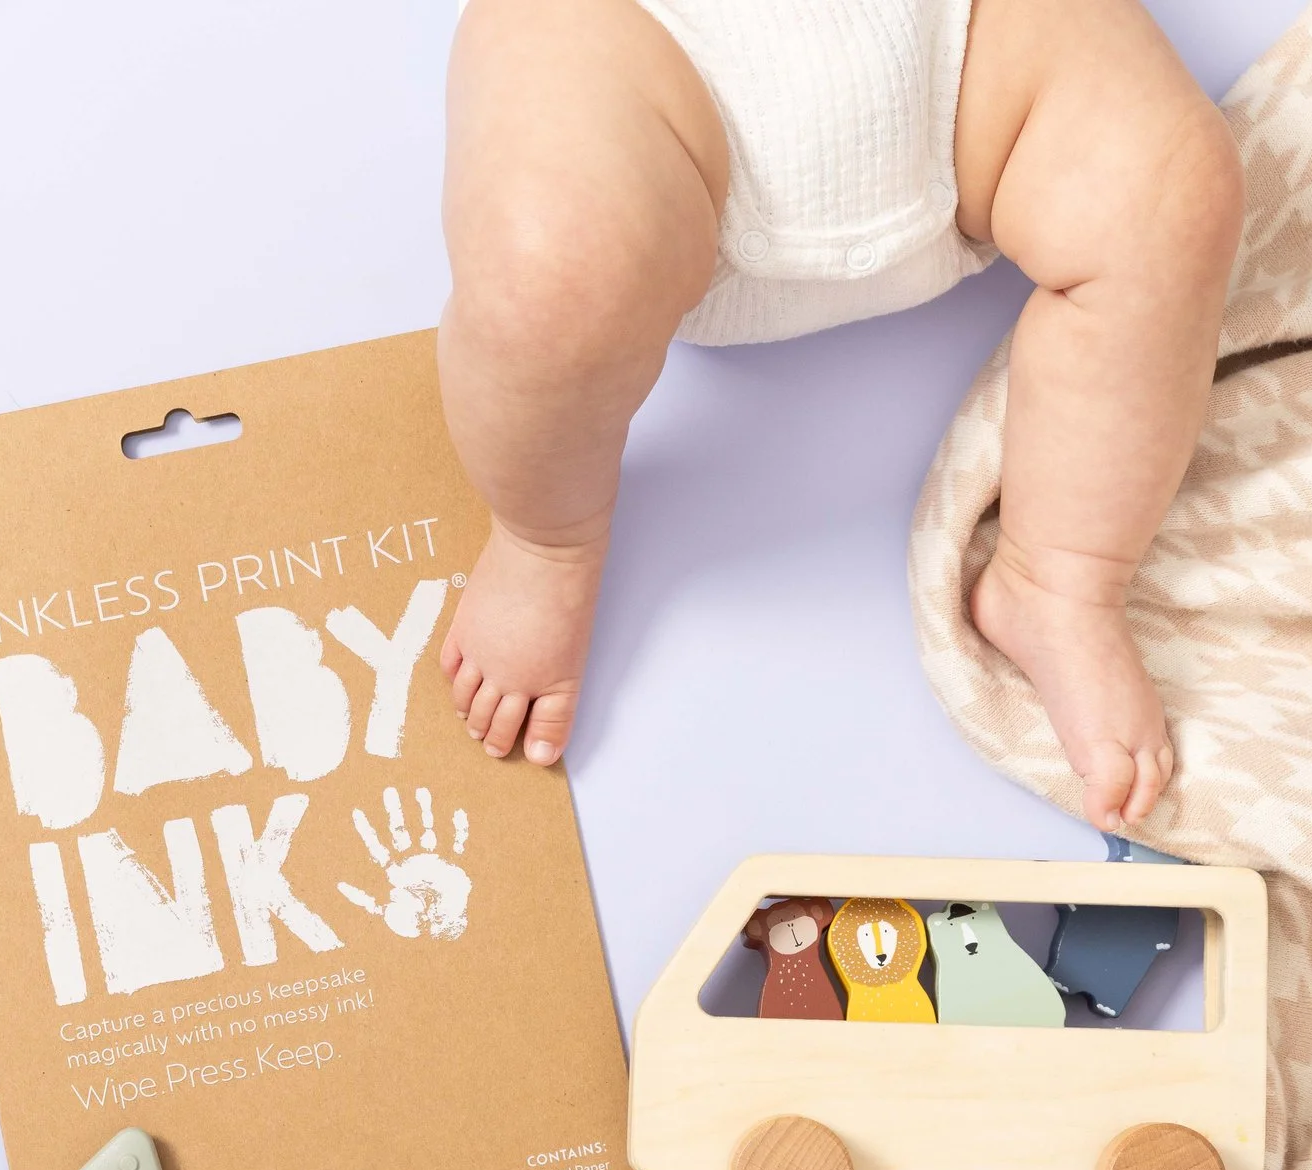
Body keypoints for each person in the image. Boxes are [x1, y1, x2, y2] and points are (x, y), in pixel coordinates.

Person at [434, 0, 1241, 830]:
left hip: (955, 53)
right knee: (547, 277)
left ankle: (1060, 575)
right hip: (654, 54)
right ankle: (547, 535)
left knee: (1171, 185)